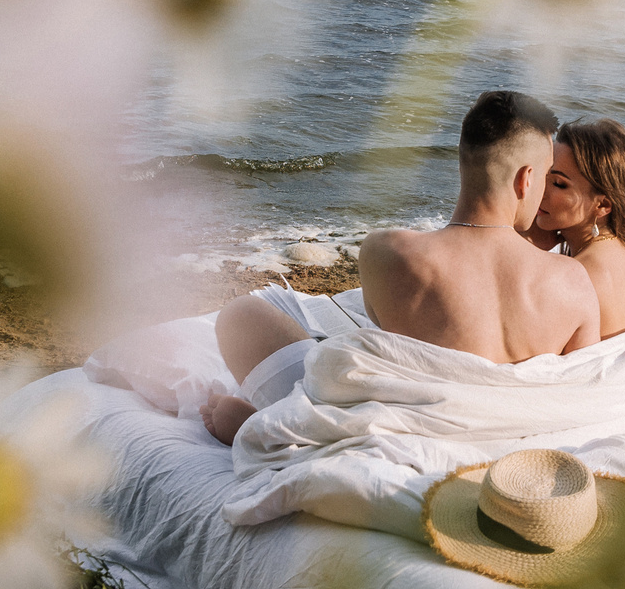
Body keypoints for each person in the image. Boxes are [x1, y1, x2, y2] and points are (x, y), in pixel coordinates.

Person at [199, 90, 601, 444]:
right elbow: (572, 391)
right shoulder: (573, 283)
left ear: (463, 162)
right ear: (525, 180)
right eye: (547, 176)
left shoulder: (386, 252)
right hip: (509, 444)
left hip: (404, 428)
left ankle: (264, 425)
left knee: (240, 315)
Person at [528, 118, 625, 339]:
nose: (540, 188)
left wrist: (522, 245)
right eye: (543, 175)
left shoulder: (574, 277)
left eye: (558, 183)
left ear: (602, 205)